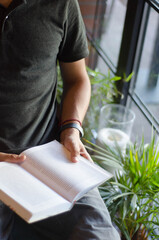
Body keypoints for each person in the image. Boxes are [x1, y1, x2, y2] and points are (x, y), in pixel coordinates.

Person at [0, 0, 121, 239]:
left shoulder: (61, 4)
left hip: (47, 156)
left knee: (100, 234)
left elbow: (78, 79)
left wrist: (71, 130)